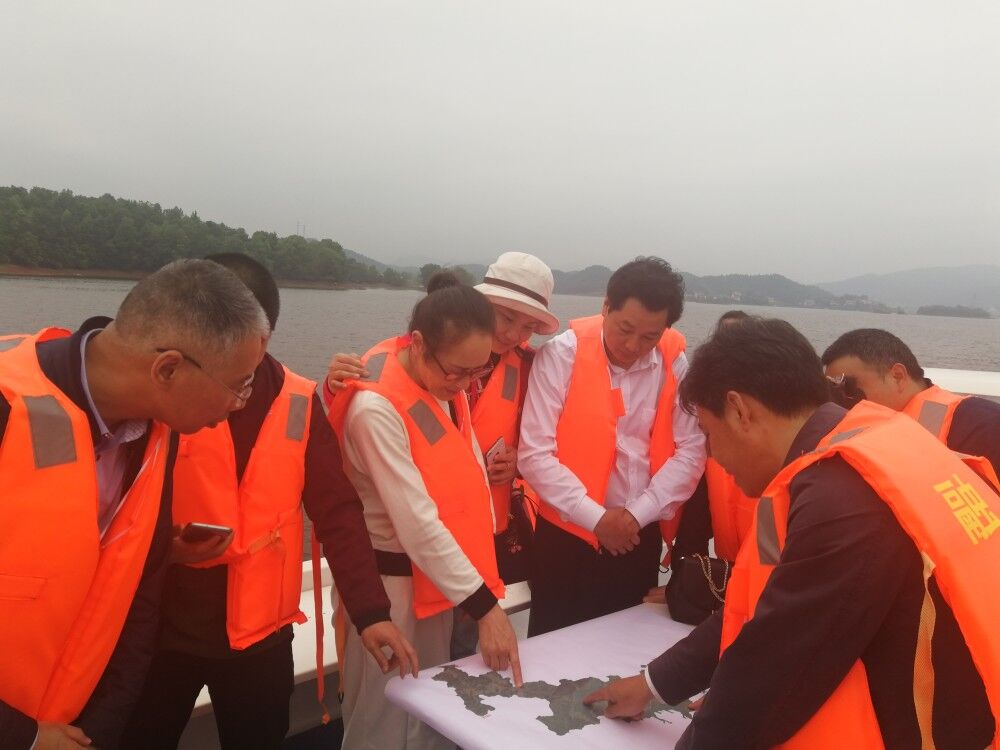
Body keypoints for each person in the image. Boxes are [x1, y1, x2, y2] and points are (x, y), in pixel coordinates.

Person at [584, 316, 997, 749]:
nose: (712, 455)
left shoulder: (842, 501)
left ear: (740, 411)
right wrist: (653, 684)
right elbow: (760, 604)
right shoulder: (864, 443)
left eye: (708, 432)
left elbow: (767, 679)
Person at [122, 254, 417, 749]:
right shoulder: (161, 391)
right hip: (161, 632)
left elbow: (338, 513)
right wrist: (163, 547)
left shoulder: (298, 402)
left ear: (261, 335)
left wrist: (370, 612)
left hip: (261, 638)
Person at [0, 259, 270, 750]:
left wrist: (97, 733)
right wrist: (24, 738)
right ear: (168, 369)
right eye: (238, 385)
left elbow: (137, 600)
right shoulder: (7, 409)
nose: (240, 403)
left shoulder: (154, 433)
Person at [328, 273, 522, 750]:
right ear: (417, 343)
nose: (463, 384)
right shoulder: (375, 410)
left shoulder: (447, 389)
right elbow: (416, 522)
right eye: (455, 371)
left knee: (429, 716)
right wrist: (485, 608)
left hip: (438, 583)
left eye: (475, 373)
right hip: (389, 590)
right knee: (382, 719)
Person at [325, 252, 559, 584]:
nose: (512, 334)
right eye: (506, 318)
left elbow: (550, 440)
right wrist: (336, 385)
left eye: (528, 327)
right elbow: (374, 402)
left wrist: (518, 462)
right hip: (422, 525)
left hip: (487, 522)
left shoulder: (532, 368)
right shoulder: (426, 352)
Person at [518, 257, 707, 636]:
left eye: (650, 337)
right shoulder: (561, 356)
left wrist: (636, 515)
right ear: (606, 307)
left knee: (624, 646)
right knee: (553, 645)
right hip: (566, 536)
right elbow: (534, 454)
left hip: (637, 535)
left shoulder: (674, 364)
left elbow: (691, 451)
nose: (634, 345)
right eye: (625, 329)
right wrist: (596, 519)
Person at [822, 327, 1000, 472]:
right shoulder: (846, 431)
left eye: (848, 387)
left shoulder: (984, 425)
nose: (840, 400)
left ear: (897, 376)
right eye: (833, 388)